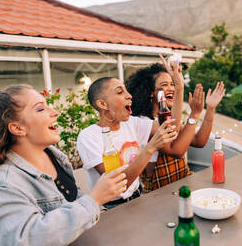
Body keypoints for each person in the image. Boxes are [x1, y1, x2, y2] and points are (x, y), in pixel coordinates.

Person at [0, 84, 129, 246]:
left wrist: (98, 209)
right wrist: (94, 200)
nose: (55, 112)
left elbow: (72, 198)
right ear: (17, 128)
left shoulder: (55, 157)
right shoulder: (1, 184)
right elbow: (23, 239)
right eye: (40, 109)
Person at [77, 59, 199, 208]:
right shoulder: (88, 136)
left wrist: (179, 88)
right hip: (110, 208)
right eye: (120, 92)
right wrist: (151, 147)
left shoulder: (132, 124)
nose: (129, 96)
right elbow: (118, 185)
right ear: (102, 104)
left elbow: (171, 128)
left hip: (138, 198)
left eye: (127, 91)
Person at [126, 60, 225, 192]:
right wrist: (180, 90)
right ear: (150, 92)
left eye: (172, 84)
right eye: (164, 85)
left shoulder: (170, 118)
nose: (171, 88)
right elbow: (177, 151)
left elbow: (199, 141)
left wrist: (210, 108)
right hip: (159, 192)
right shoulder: (144, 123)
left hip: (182, 184)